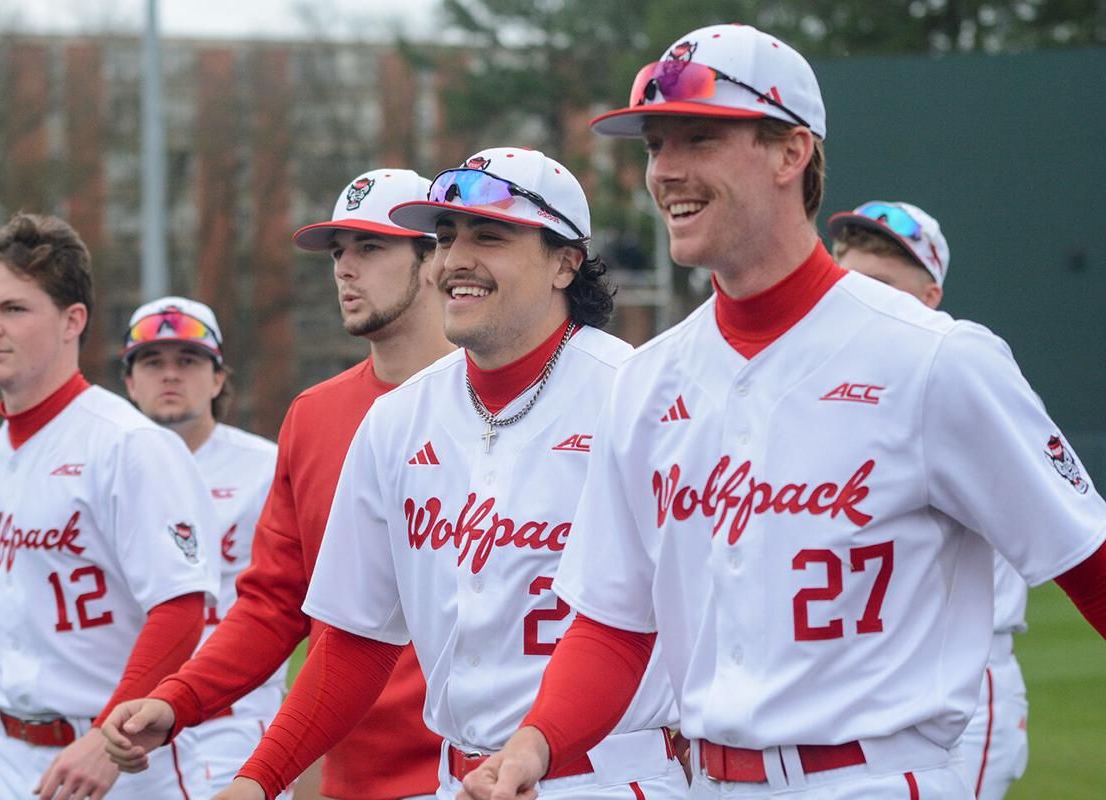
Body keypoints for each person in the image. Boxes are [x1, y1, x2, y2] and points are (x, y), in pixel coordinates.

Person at [460, 24, 1106, 800]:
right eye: (654, 147)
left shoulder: (934, 360)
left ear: (791, 152)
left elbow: (1092, 567)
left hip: (875, 775)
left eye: (699, 138)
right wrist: (535, 744)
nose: (666, 172)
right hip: (701, 779)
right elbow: (613, 624)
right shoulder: (649, 380)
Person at [124, 145, 687, 800]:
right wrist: (259, 780)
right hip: (457, 779)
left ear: (565, 261)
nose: (457, 260)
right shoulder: (397, 421)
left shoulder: (637, 398)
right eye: (446, 237)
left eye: (490, 235)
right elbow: (354, 643)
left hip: (610, 776)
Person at [101, 168, 452, 800]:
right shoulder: (313, 416)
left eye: (371, 248)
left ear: (432, 258)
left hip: (491, 771)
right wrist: (179, 699)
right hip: (353, 774)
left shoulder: (499, 404)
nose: (345, 269)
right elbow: (272, 603)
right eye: (338, 252)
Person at [0, 213, 220, 800]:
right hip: (3, 753)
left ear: (73, 320)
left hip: (119, 758)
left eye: (14, 309)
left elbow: (180, 609)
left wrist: (106, 737)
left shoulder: (130, 445)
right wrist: (8, 713)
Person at [827, 201, 1030, 799]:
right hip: (851, 686)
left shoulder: (959, 381)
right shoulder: (808, 392)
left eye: (884, 284)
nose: (862, 297)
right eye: (849, 279)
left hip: (961, 681)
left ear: (930, 293)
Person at [120, 295, 289, 798]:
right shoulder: (105, 472)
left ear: (218, 378)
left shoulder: (266, 466)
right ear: (129, 382)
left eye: (188, 361)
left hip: (235, 718)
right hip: (128, 720)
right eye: (152, 362)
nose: (170, 375)